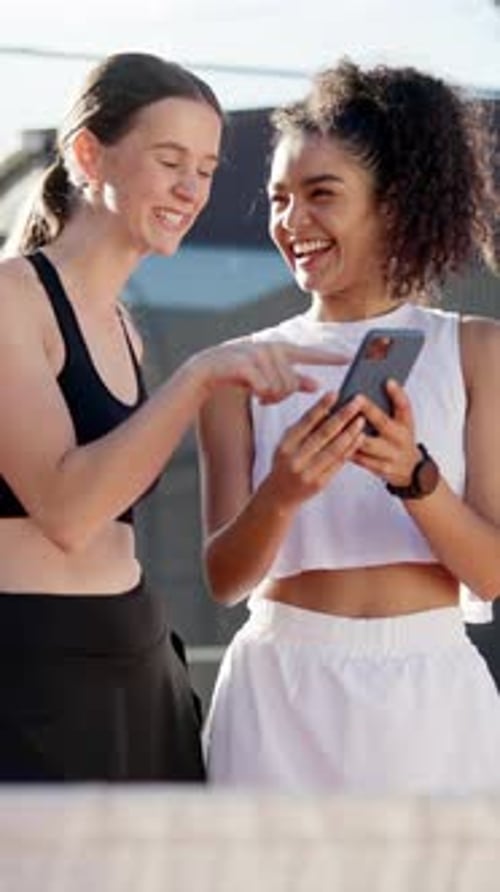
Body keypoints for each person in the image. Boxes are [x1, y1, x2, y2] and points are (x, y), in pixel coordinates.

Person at [0, 51, 344, 782]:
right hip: (32, 672)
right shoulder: (11, 301)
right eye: (170, 160)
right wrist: (197, 380)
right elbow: (66, 509)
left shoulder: (124, 325)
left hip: (138, 657)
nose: (192, 189)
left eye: (208, 168)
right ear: (89, 154)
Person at [198, 59, 500, 794]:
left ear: (394, 203)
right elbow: (224, 581)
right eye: (278, 199)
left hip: (432, 693)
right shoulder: (238, 368)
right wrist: (282, 493)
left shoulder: (478, 350)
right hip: (278, 692)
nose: (291, 222)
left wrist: (414, 478)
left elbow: (490, 573)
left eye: (320, 194)